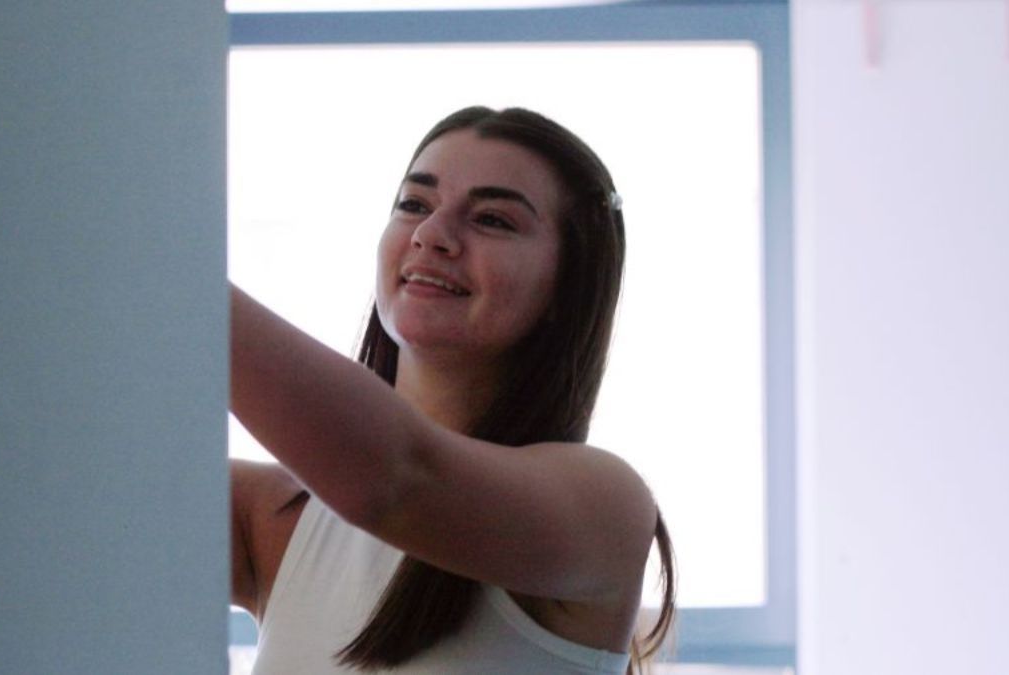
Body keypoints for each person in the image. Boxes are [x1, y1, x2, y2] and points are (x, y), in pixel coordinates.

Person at [229, 106, 675, 674]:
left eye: (492, 219)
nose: (431, 234)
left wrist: (169, 275)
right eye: (414, 204)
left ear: (569, 283)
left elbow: (397, 477)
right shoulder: (271, 517)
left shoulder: (605, 505)